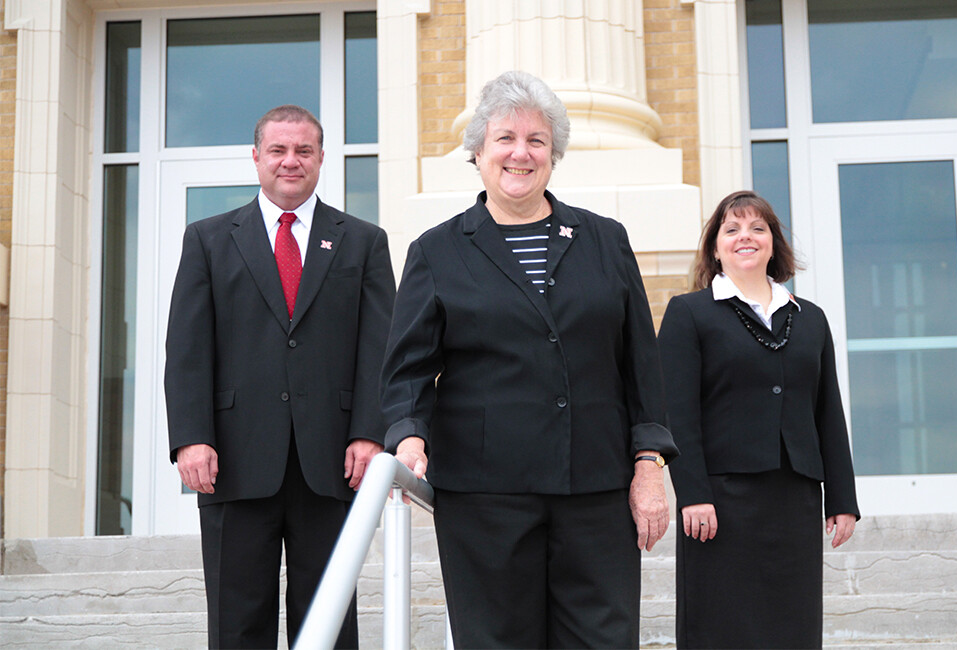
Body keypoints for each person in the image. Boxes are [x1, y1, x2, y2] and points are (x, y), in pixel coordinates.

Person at [381, 70, 679, 649]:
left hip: (596, 487)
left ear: (553, 154)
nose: (521, 153)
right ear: (478, 150)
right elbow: (407, 368)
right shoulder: (436, 250)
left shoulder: (605, 239)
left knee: (603, 640)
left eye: (536, 140)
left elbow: (641, 364)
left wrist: (649, 465)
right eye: (505, 138)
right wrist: (408, 435)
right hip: (484, 496)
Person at [164, 104, 396, 649]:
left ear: (321, 158)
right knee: (237, 624)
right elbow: (188, 348)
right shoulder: (208, 239)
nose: (291, 161)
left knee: (328, 625)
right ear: (256, 157)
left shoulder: (363, 241)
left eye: (303, 151)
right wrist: (191, 437)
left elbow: (381, 348)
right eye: (278, 150)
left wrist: (370, 432)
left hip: (334, 461)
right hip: (234, 459)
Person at [658, 190, 860, 649]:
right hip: (720, 503)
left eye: (757, 228)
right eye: (731, 229)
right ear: (715, 247)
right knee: (721, 624)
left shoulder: (811, 319)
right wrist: (693, 494)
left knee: (791, 625)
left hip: (795, 497)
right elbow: (677, 413)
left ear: (773, 244)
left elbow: (827, 410)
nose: (744, 237)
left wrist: (842, 498)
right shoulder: (689, 313)